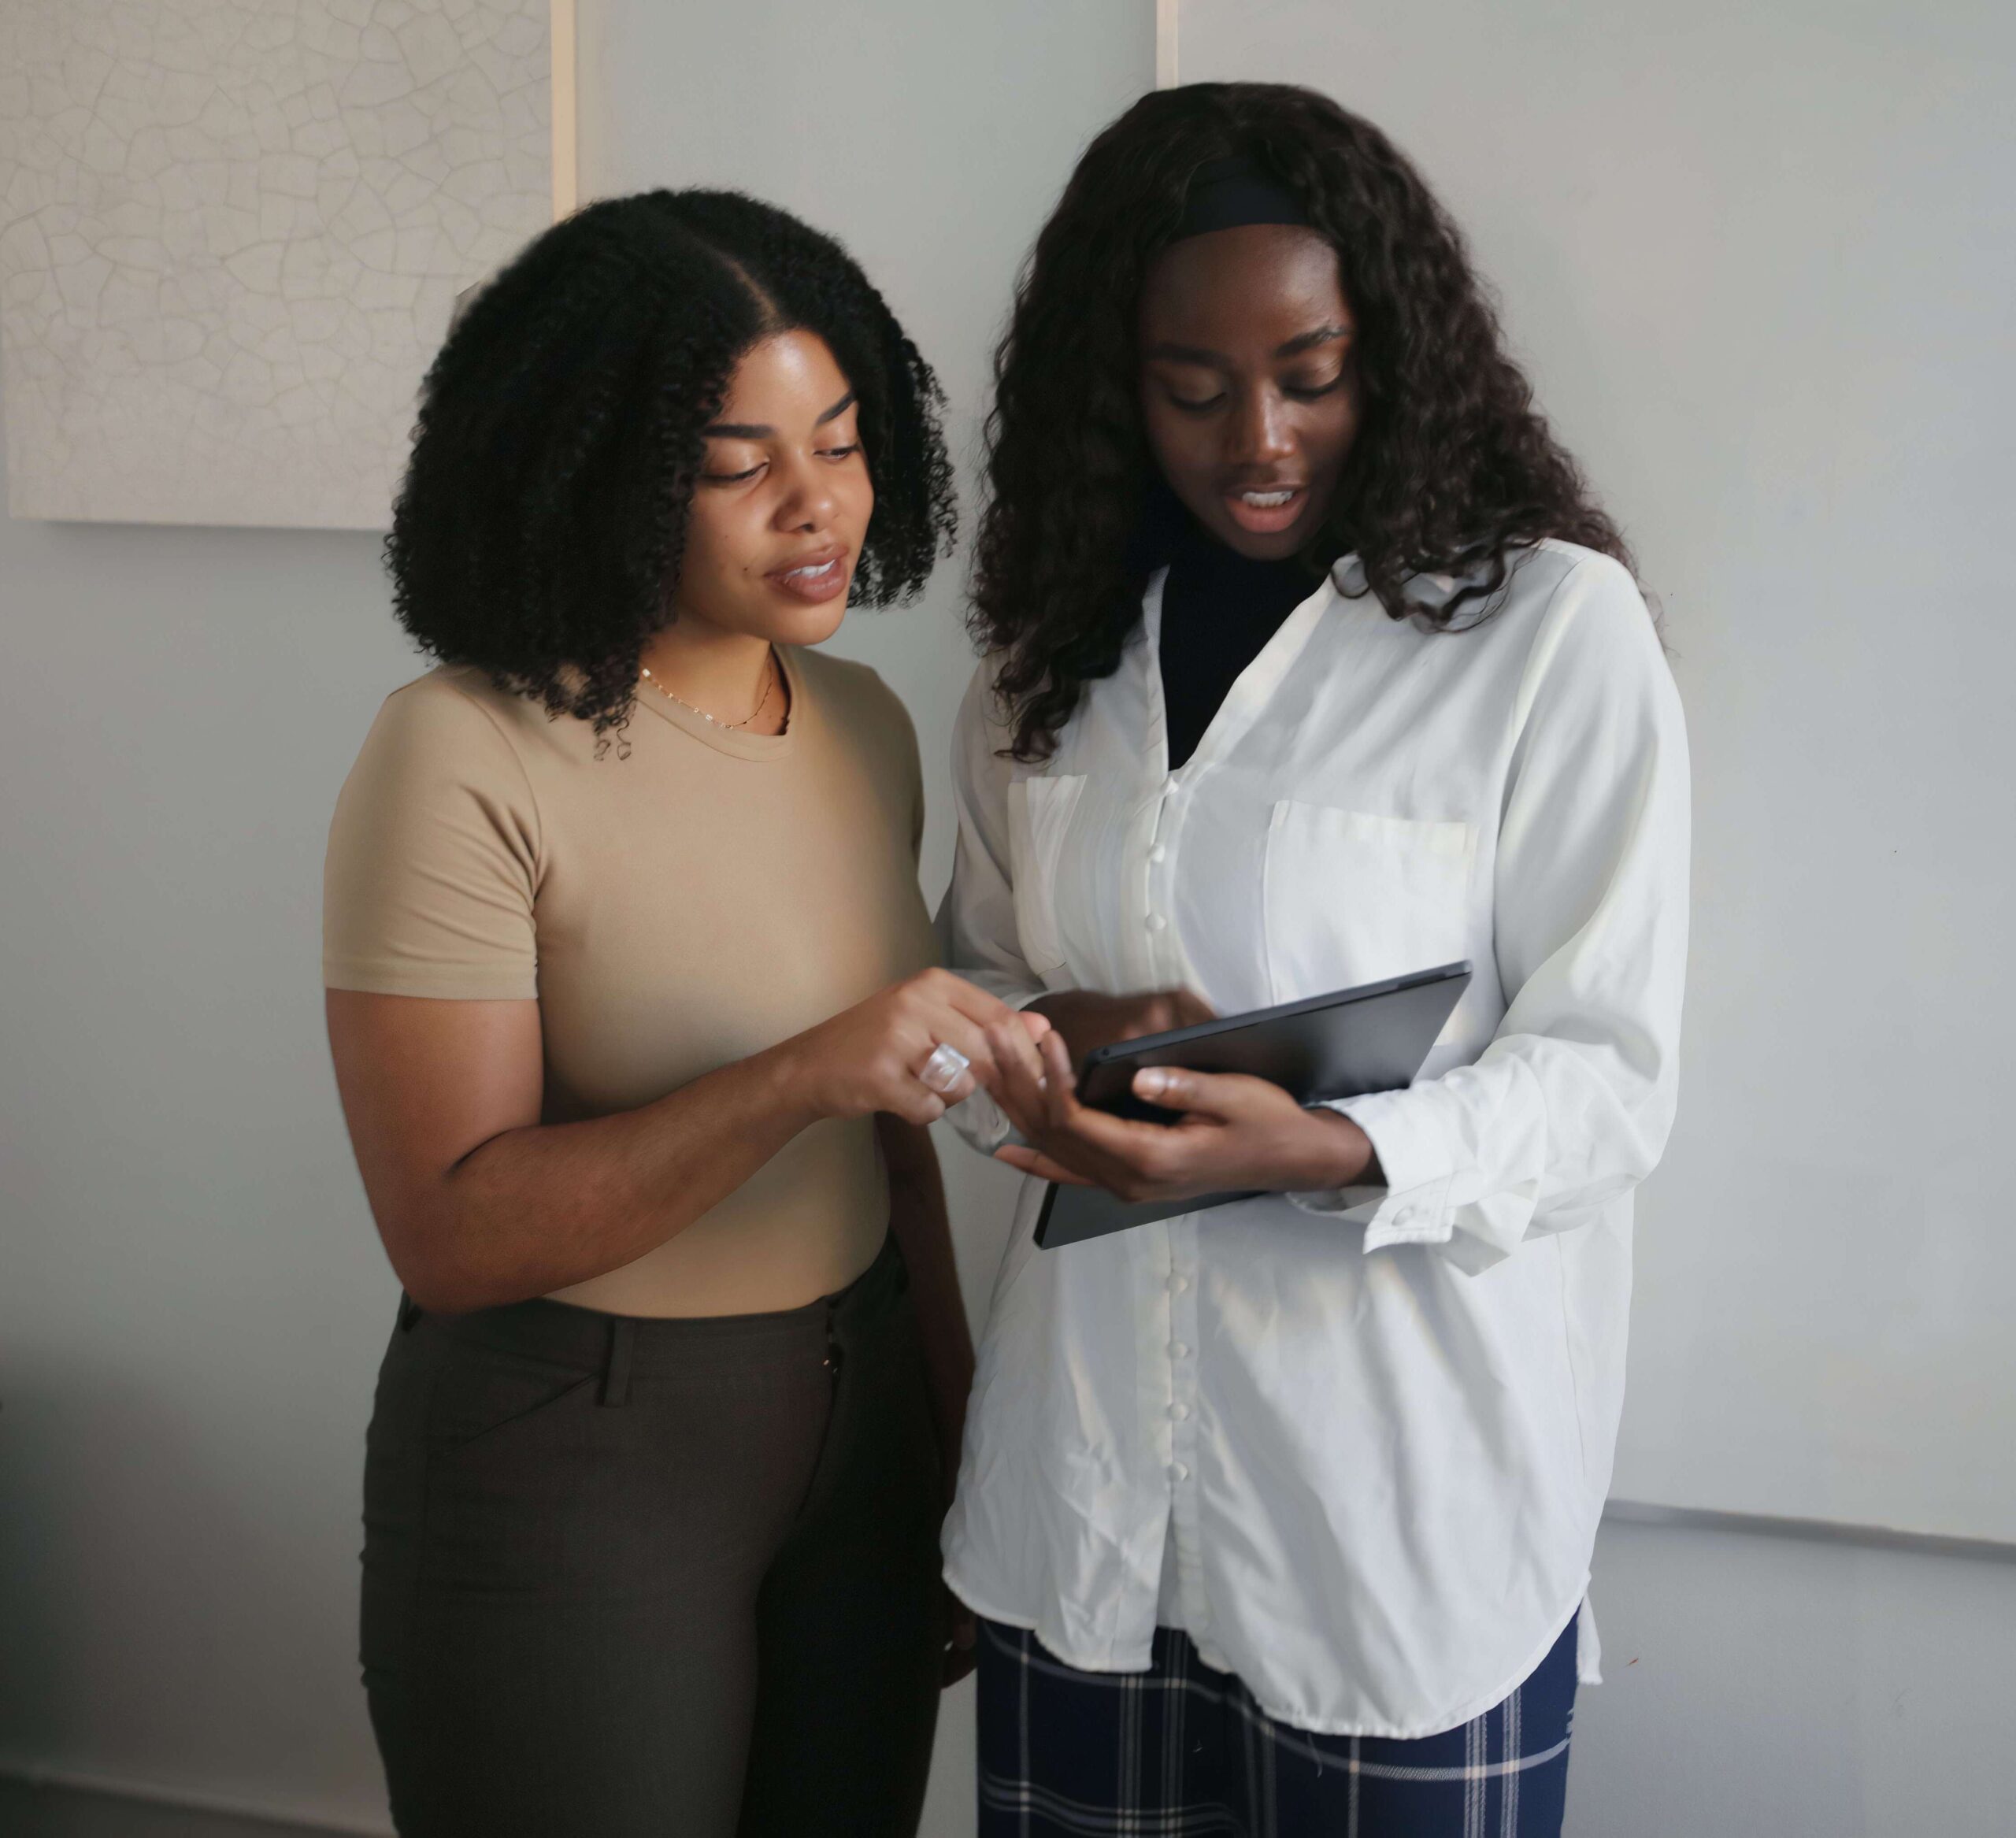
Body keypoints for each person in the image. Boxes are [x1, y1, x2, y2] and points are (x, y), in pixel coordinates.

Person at [939, 83, 1689, 1836]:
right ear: (1113, 387)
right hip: (1086, 1512)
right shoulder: (1044, 659)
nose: (1256, 438)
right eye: (1190, 390)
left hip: (1396, 1537)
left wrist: (1341, 1149)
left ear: (1395, 359)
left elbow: (1606, 1079)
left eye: (1310, 372)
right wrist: (1044, 1043)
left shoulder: (1546, 635)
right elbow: (960, 995)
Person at [323, 188, 1038, 1837]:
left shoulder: (857, 723)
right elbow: (450, 1231)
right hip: (578, 1448)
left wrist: (945, 1431)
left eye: (844, 443)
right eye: (739, 465)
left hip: (861, 1418)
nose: (818, 506)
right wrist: (797, 1074)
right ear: (597, 471)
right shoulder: (458, 753)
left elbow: (894, 1136)